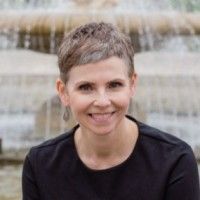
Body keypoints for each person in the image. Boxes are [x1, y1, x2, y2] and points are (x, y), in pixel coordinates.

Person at [22, 22, 200, 200]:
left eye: (114, 85)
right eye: (86, 87)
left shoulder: (175, 161)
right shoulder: (39, 165)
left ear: (132, 85)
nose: (102, 101)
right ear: (63, 92)